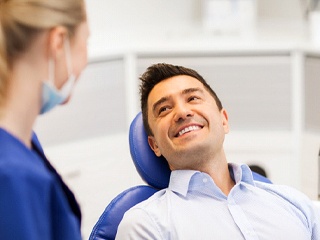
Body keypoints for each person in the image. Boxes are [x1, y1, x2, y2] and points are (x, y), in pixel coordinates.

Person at [116, 63, 320, 239]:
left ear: (224, 120)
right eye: (164, 109)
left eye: (193, 98)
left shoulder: (294, 202)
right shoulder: (145, 224)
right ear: (155, 146)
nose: (182, 112)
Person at [0, 0, 89, 239]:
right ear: (58, 42)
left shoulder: (24, 146)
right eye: (85, 40)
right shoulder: (12, 174)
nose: (86, 60)